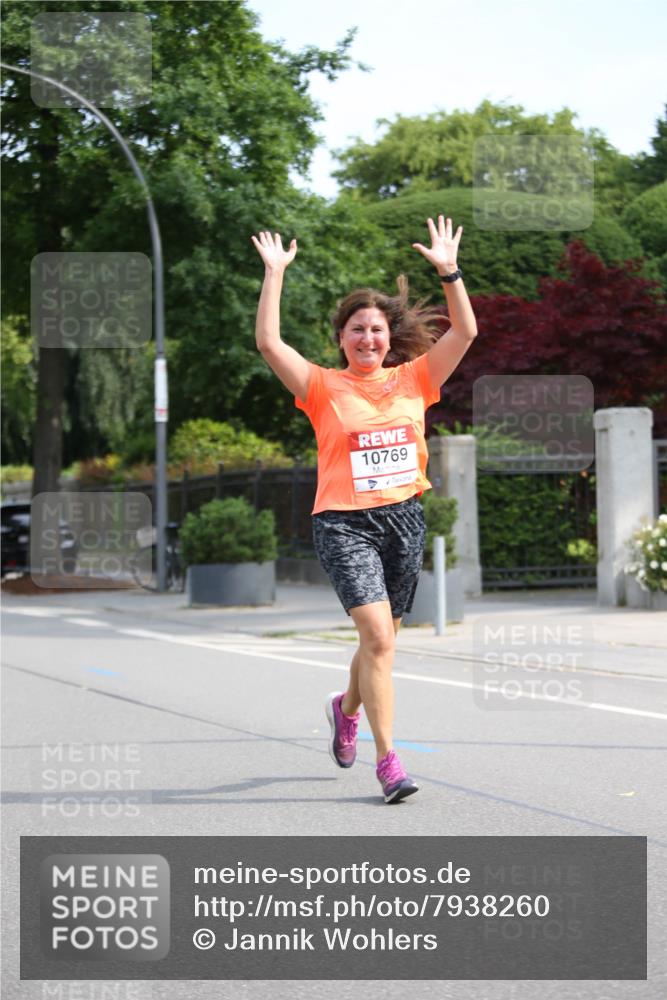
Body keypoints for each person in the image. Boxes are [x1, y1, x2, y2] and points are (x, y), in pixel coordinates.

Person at [251, 216, 477, 803]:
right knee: (377, 637)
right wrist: (275, 274)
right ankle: (389, 763)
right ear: (342, 338)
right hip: (343, 523)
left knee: (381, 643)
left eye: (376, 329)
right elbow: (270, 344)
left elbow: (467, 333)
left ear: (387, 335)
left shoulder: (415, 379)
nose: (368, 339)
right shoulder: (321, 386)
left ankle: (344, 708)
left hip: (403, 518)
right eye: (357, 330)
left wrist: (449, 271)